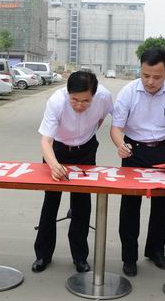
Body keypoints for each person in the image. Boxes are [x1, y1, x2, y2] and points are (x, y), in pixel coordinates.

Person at [110, 47, 165, 277]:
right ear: (140, 69)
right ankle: (129, 257)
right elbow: (116, 128)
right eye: (145, 75)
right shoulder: (128, 92)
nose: (150, 82)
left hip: (164, 149)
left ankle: (156, 251)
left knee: (161, 205)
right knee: (130, 205)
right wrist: (120, 145)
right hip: (133, 151)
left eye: (157, 77)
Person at [32, 70, 114, 274]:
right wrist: (54, 165)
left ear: (94, 95)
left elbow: (102, 118)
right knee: (51, 202)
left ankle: (80, 257)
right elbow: (46, 141)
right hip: (57, 150)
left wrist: (87, 134)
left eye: (86, 101)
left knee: (82, 203)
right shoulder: (56, 101)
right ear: (68, 92)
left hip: (85, 150)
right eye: (74, 100)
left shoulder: (104, 97)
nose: (79, 105)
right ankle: (43, 255)